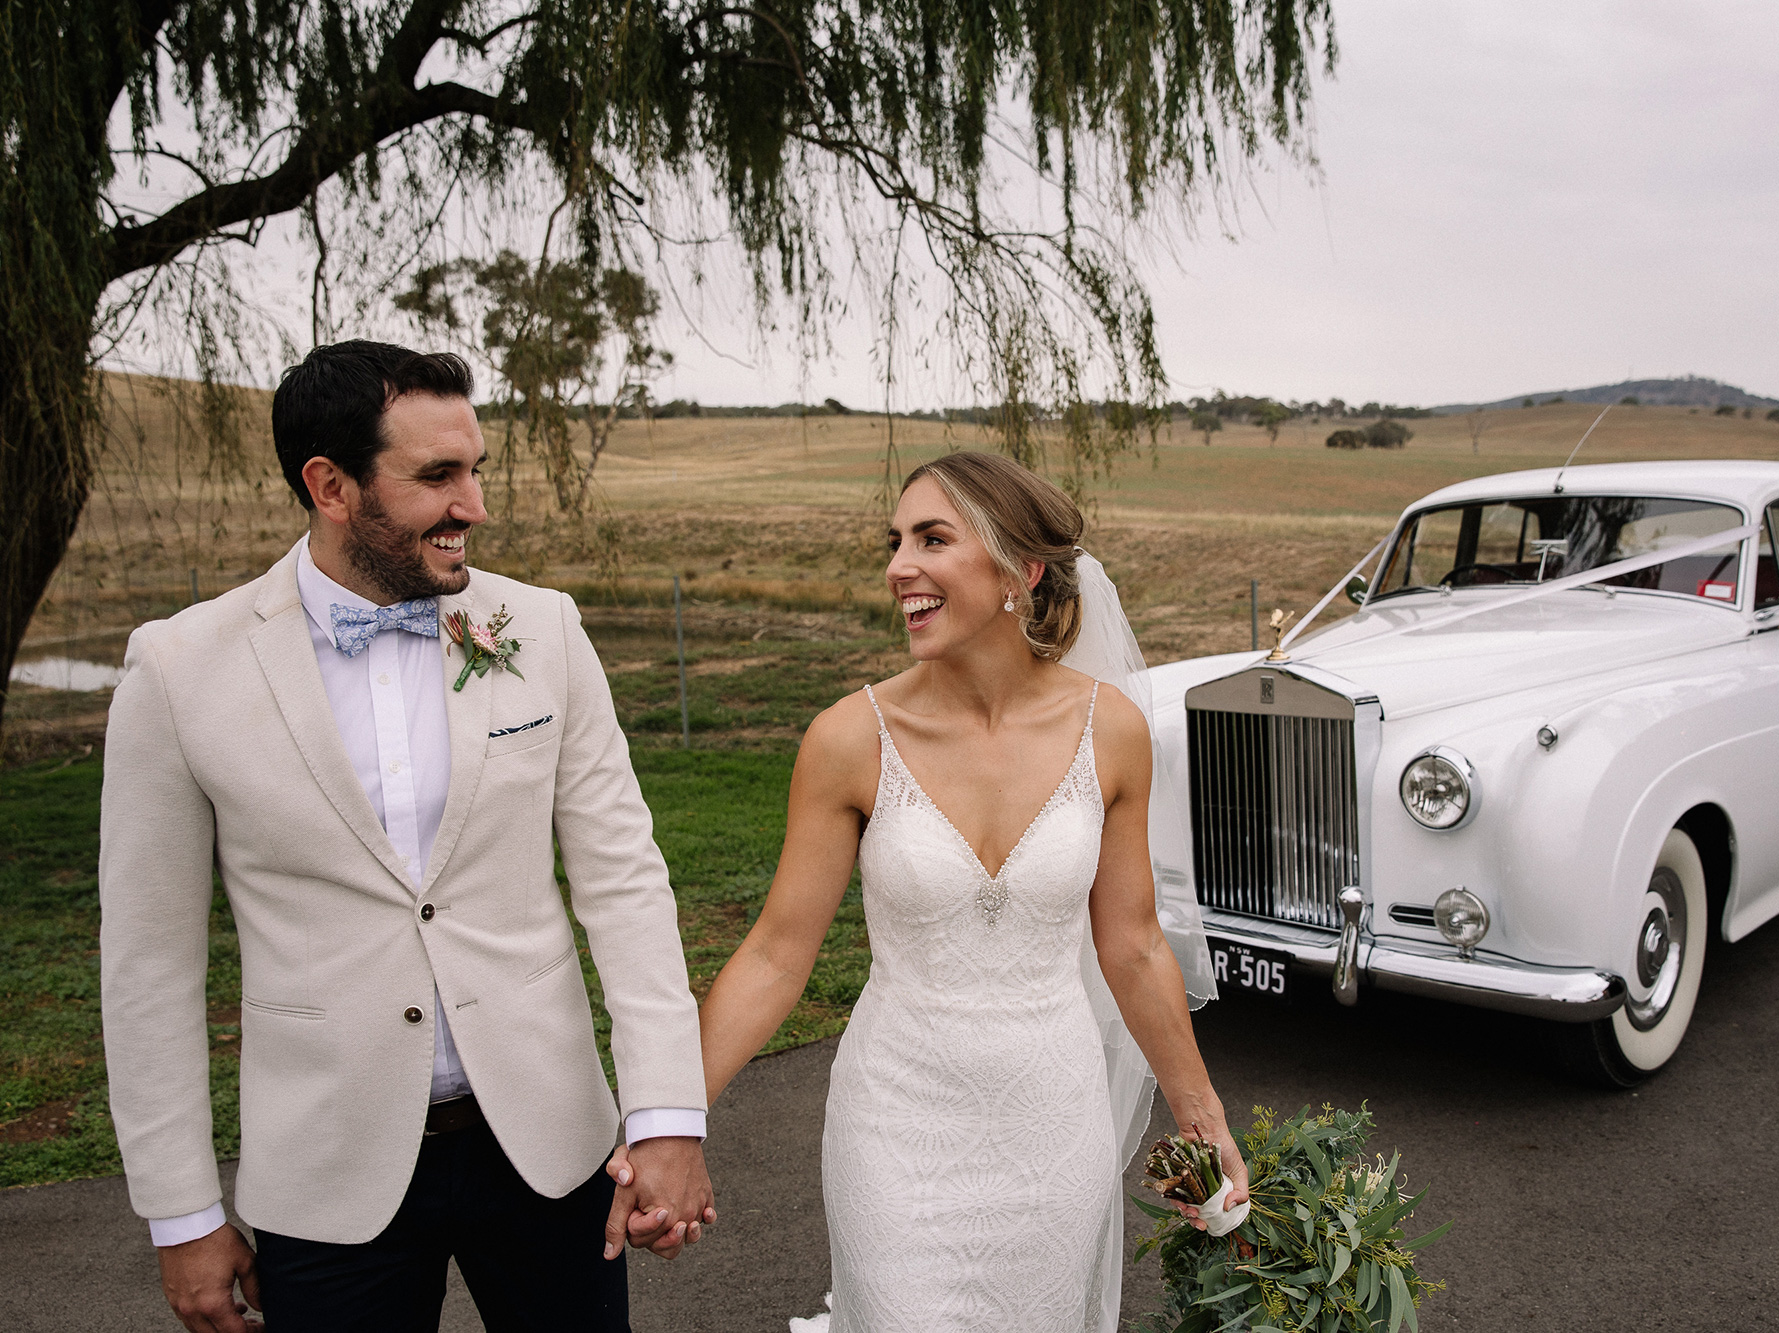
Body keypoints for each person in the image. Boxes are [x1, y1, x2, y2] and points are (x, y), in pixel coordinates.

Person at [99, 341, 712, 1333]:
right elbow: (146, 966)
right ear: (331, 486)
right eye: (436, 476)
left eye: (474, 468)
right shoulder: (178, 671)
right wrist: (181, 1212)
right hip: (327, 1170)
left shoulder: (540, 628)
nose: (472, 502)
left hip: (550, 1146)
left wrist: (667, 1117)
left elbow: (624, 883)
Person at [608, 451, 1245, 1332]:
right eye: (896, 540)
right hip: (897, 1123)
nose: (897, 565)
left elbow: (1132, 944)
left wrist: (1202, 1119)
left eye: (932, 538)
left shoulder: (1113, 731)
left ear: (1020, 570)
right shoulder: (849, 737)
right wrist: (666, 1125)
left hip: (1053, 1121)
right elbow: (776, 953)